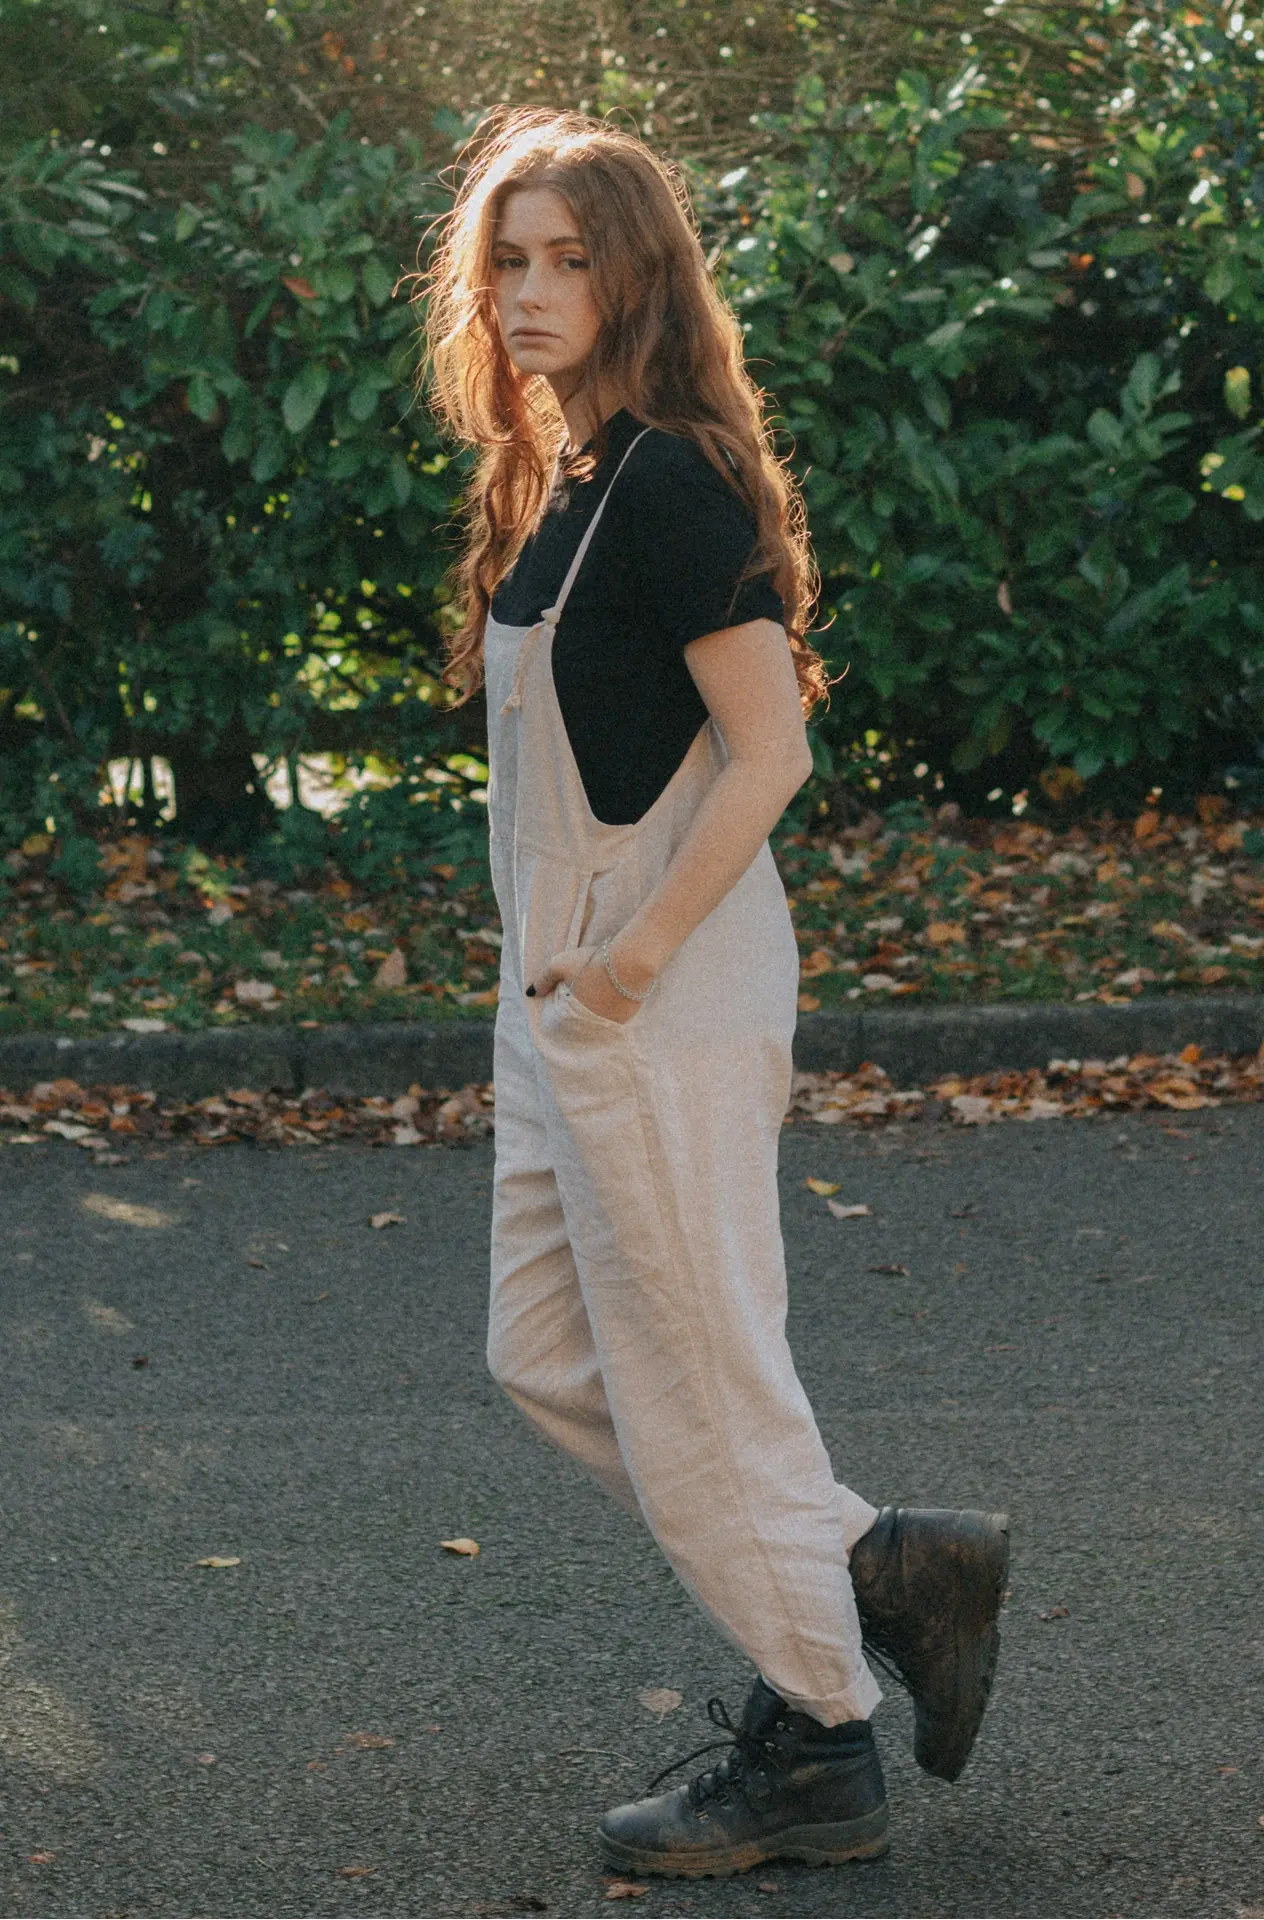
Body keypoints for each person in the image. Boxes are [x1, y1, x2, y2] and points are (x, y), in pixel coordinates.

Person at [420, 106, 1010, 1881]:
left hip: (649, 994)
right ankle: (879, 1563)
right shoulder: (571, 479)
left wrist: (628, 964)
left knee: (706, 1384)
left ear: (640, 278)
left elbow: (773, 753)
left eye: (568, 260)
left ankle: (821, 1743)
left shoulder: (670, 481)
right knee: (545, 1355)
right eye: (507, 262)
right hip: (560, 995)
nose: (529, 292)